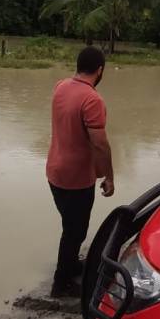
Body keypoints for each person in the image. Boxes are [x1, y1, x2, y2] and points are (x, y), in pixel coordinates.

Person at [46, 46, 114, 298]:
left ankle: (72, 264)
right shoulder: (92, 99)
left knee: (70, 224)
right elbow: (100, 143)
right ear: (100, 70)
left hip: (54, 171)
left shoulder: (60, 86)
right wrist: (109, 176)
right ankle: (60, 283)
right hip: (75, 177)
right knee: (75, 231)